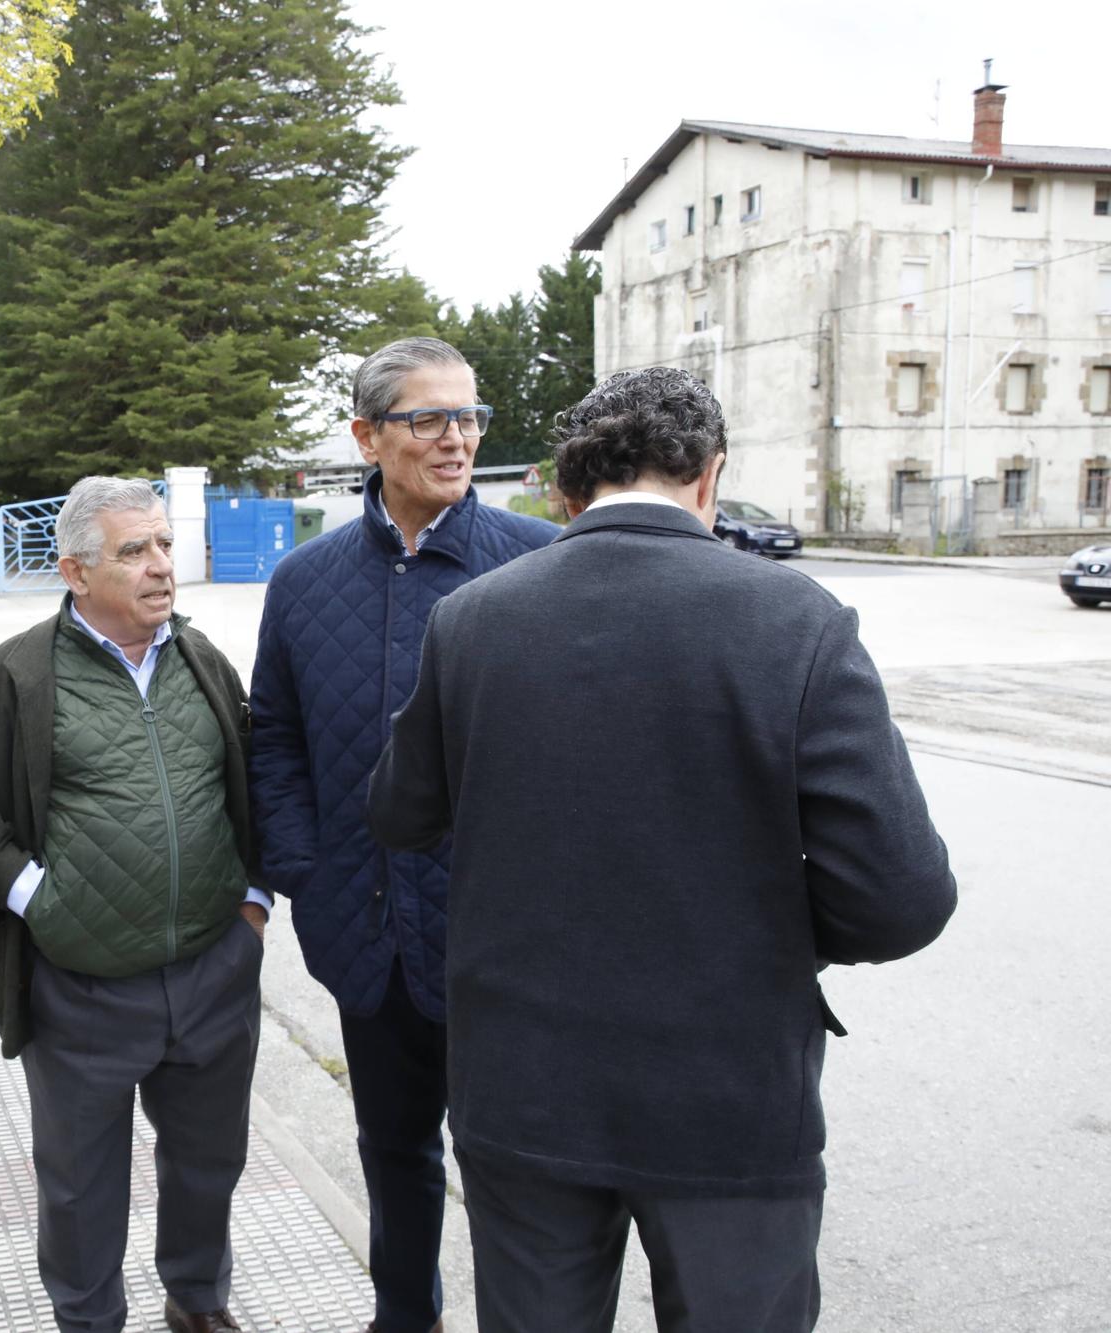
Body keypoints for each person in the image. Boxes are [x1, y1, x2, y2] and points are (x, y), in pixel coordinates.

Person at [367, 366, 957, 1333]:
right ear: (711, 477)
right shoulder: (796, 621)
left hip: (525, 1094)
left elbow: (398, 813)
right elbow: (903, 899)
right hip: (729, 1098)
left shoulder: (473, 619)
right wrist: (773, 938)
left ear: (568, 488)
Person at [248, 336, 558, 1333]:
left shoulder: (539, 563)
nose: (455, 438)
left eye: (467, 416)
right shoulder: (304, 582)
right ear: (366, 436)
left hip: (499, 947)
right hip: (366, 935)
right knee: (392, 1155)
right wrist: (306, 869)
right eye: (428, 418)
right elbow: (274, 737)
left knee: (514, 1170)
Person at [0, 476, 267, 1333]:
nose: (162, 566)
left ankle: (197, 1302)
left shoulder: (202, 661)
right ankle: (88, 1319)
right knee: (80, 1184)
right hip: (79, 988)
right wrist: (45, 899)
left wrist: (253, 904)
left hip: (212, 973)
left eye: (162, 545)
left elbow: (252, 785)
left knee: (208, 1162)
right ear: (75, 570)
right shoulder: (5, 679)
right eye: (134, 551)